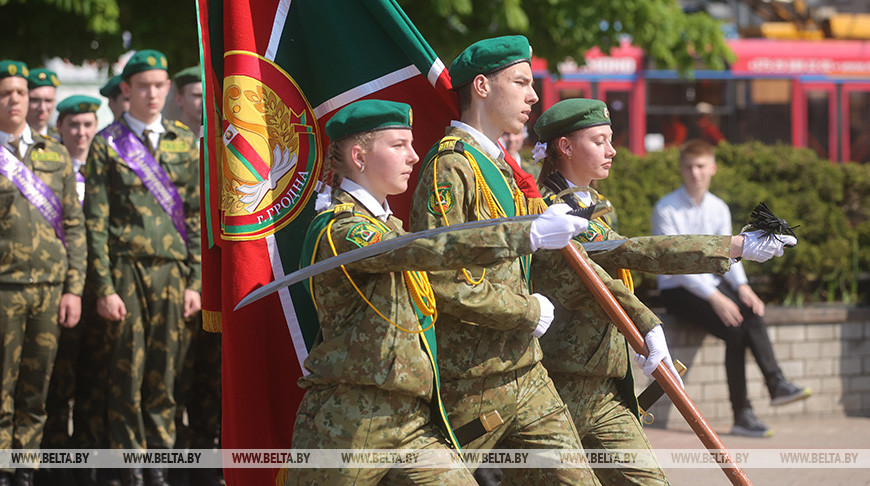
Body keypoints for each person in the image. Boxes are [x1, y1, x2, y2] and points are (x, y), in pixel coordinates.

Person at [290, 99, 588, 485]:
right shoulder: (341, 230)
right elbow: (425, 249)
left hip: (411, 421)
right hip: (348, 422)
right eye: (398, 145)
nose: (413, 157)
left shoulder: (387, 227)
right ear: (359, 156)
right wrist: (526, 234)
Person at [529, 98, 798, 484]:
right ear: (566, 147)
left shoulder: (589, 203)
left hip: (604, 388)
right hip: (561, 389)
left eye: (610, 139)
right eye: (599, 140)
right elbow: (633, 252)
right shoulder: (554, 214)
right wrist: (733, 247)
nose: (612, 149)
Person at [409, 36, 600, 484]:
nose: (533, 96)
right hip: (474, 379)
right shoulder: (452, 167)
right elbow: (439, 277)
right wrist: (526, 310)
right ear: (481, 86)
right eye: (520, 82)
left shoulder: (499, 168)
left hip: (527, 369)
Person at [81, 49, 201, 486]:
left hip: (173, 274)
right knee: (126, 376)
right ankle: (129, 467)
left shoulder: (183, 142)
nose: (153, 94)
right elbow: (94, 221)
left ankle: (161, 466)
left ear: (168, 88)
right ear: (126, 91)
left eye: (159, 85)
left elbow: (193, 218)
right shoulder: (105, 143)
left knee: (166, 376)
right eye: (144, 86)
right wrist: (105, 287)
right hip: (126, 271)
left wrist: (196, 280)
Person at [652, 139, 811, 438]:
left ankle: (775, 385)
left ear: (712, 168)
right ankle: (744, 413)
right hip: (677, 288)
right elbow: (674, 265)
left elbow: (731, 254)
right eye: (688, 167)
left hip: (713, 281)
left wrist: (745, 288)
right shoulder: (666, 208)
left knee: (749, 308)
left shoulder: (718, 207)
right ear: (681, 170)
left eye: (700, 166)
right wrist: (715, 298)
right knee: (736, 329)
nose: (695, 173)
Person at [0, 60, 86, 486]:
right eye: (6, 93)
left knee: (37, 390)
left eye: (20, 92)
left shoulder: (55, 154)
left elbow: (74, 223)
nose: (14, 100)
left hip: (49, 292)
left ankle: (26, 470)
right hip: (4, 290)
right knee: (0, 389)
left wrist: (73, 289)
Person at [39, 96, 100, 484]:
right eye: (73, 126)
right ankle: (58, 468)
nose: (81, 133)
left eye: (88, 125)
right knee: (58, 384)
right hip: (62, 294)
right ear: (59, 129)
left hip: (103, 294)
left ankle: (92, 467)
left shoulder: (108, 167)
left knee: (96, 383)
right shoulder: (47, 169)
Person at [170, 64, 222, 486]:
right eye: (194, 95)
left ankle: (211, 462)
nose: (201, 103)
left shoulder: (226, 144)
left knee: (216, 377)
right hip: (183, 277)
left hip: (219, 279)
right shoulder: (169, 147)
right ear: (179, 99)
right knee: (179, 377)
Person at [26, 67, 60, 140]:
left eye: (48, 101)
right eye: (35, 100)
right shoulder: (9, 139)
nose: (42, 108)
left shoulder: (60, 140)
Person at [172, 66, 203, 139]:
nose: (204, 102)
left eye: (208, 97)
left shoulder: (219, 139)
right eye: (197, 95)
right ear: (179, 99)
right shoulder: (169, 136)